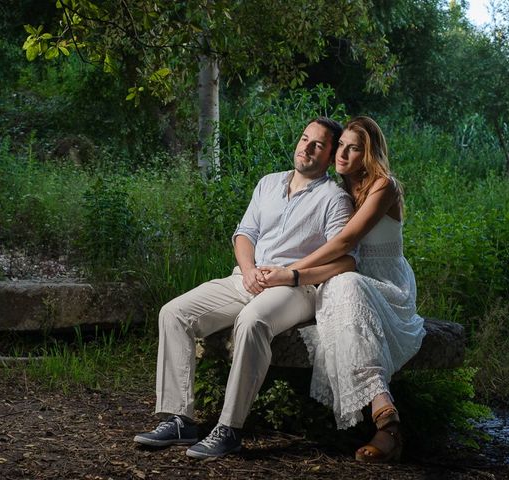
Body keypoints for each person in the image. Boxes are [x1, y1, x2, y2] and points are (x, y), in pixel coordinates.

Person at [133, 117, 358, 460]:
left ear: (330, 157)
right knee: (174, 313)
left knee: (251, 322)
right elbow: (244, 234)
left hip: (296, 289)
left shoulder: (334, 199)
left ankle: (229, 428)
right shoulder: (268, 184)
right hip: (246, 278)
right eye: (304, 139)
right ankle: (180, 419)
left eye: (318, 145)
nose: (307, 148)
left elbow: (346, 261)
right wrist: (250, 269)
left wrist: (290, 275)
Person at [259, 116, 426, 463]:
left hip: (387, 284)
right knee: (338, 285)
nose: (344, 154)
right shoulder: (337, 190)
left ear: (369, 154)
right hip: (346, 279)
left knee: (343, 284)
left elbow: (347, 240)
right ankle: (387, 420)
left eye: (355, 148)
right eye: (342, 146)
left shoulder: (384, 186)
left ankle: (385, 419)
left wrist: (291, 270)